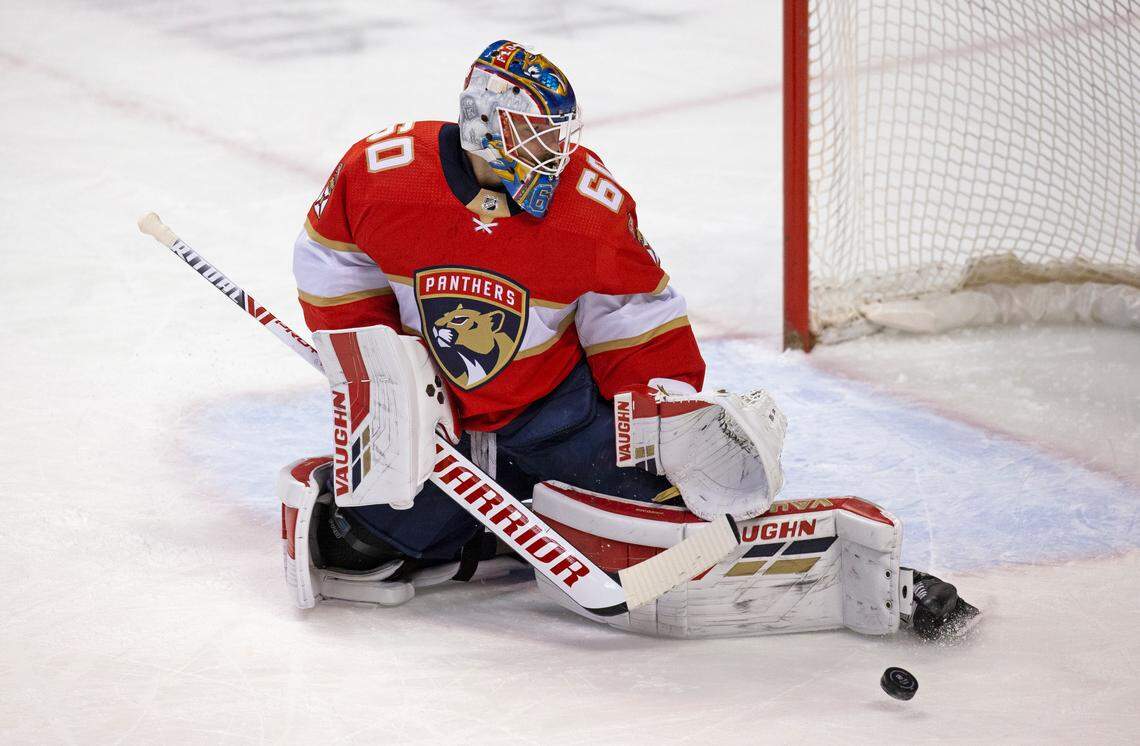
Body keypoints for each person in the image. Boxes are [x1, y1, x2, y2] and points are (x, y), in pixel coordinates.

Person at [282, 40, 976, 640]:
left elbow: (635, 316)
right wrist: (378, 364)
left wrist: (663, 415)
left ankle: (523, 509)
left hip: (555, 414)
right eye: (534, 135)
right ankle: (501, 525)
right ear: (483, 130)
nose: (553, 151)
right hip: (442, 421)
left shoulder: (589, 207)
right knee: (362, 545)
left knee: (662, 530)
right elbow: (328, 257)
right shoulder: (384, 174)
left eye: (557, 134)